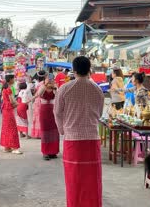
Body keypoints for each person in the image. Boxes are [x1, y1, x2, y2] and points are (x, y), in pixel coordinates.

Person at [54, 56, 104, 207]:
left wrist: (62, 130)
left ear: (73, 71)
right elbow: (100, 113)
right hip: (92, 140)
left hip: (72, 141)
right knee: (92, 180)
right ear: (89, 70)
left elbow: (57, 112)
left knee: (73, 180)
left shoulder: (65, 88)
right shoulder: (97, 89)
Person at [37, 76, 59, 160]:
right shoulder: (42, 87)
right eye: (48, 80)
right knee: (45, 131)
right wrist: (45, 86)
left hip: (53, 110)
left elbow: (58, 96)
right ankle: (45, 152)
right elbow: (39, 94)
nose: (50, 81)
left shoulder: (55, 88)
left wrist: (55, 88)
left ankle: (53, 151)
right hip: (44, 110)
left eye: (52, 80)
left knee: (54, 131)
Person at [0, 75, 22, 154]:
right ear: (10, 80)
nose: (14, 79)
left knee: (6, 127)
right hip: (9, 109)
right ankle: (14, 147)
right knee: (12, 127)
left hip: (5, 109)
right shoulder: (8, 89)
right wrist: (18, 103)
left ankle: (7, 147)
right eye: (13, 78)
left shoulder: (4, 88)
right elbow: (12, 101)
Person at [31, 70, 46, 139]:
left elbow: (35, 93)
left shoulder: (38, 83)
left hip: (37, 101)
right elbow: (38, 94)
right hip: (41, 101)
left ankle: (36, 133)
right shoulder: (44, 84)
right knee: (40, 117)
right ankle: (40, 133)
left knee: (37, 117)